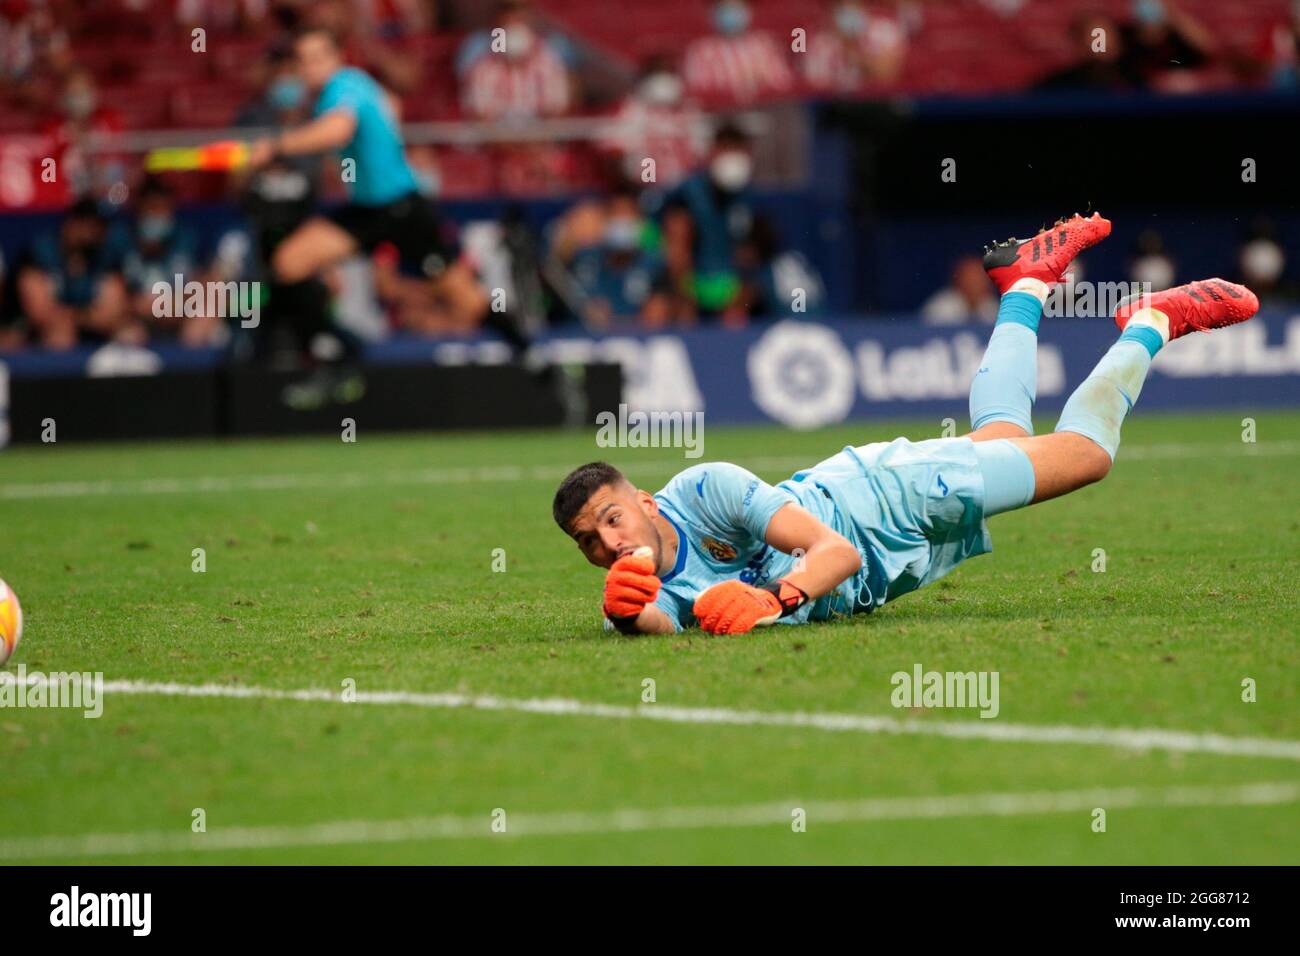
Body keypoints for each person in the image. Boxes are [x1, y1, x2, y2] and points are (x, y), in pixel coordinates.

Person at [551, 212, 1260, 635]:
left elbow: (836, 553)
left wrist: (772, 597)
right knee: (1005, 436)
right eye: (589, 540)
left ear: (644, 501)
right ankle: (1026, 283)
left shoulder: (707, 489)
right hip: (897, 547)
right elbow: (658, 621)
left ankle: (1151, 322)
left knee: (1085, 455)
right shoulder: (646, 577)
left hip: (883, 498)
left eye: (612, 518)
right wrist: (622, 616)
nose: (609, 543)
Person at [244, 24, 498, 405]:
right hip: (366, 211)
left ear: (337, 58)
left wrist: (276, 146)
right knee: (288, 263)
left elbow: (336, 131)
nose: (310, 68)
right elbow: (380, 114)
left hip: (404, 210)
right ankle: (342, 353)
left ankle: (536, 361)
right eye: (304, 61)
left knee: (467, 302)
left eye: (318, 58)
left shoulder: (343, 86)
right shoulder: (345, 90)